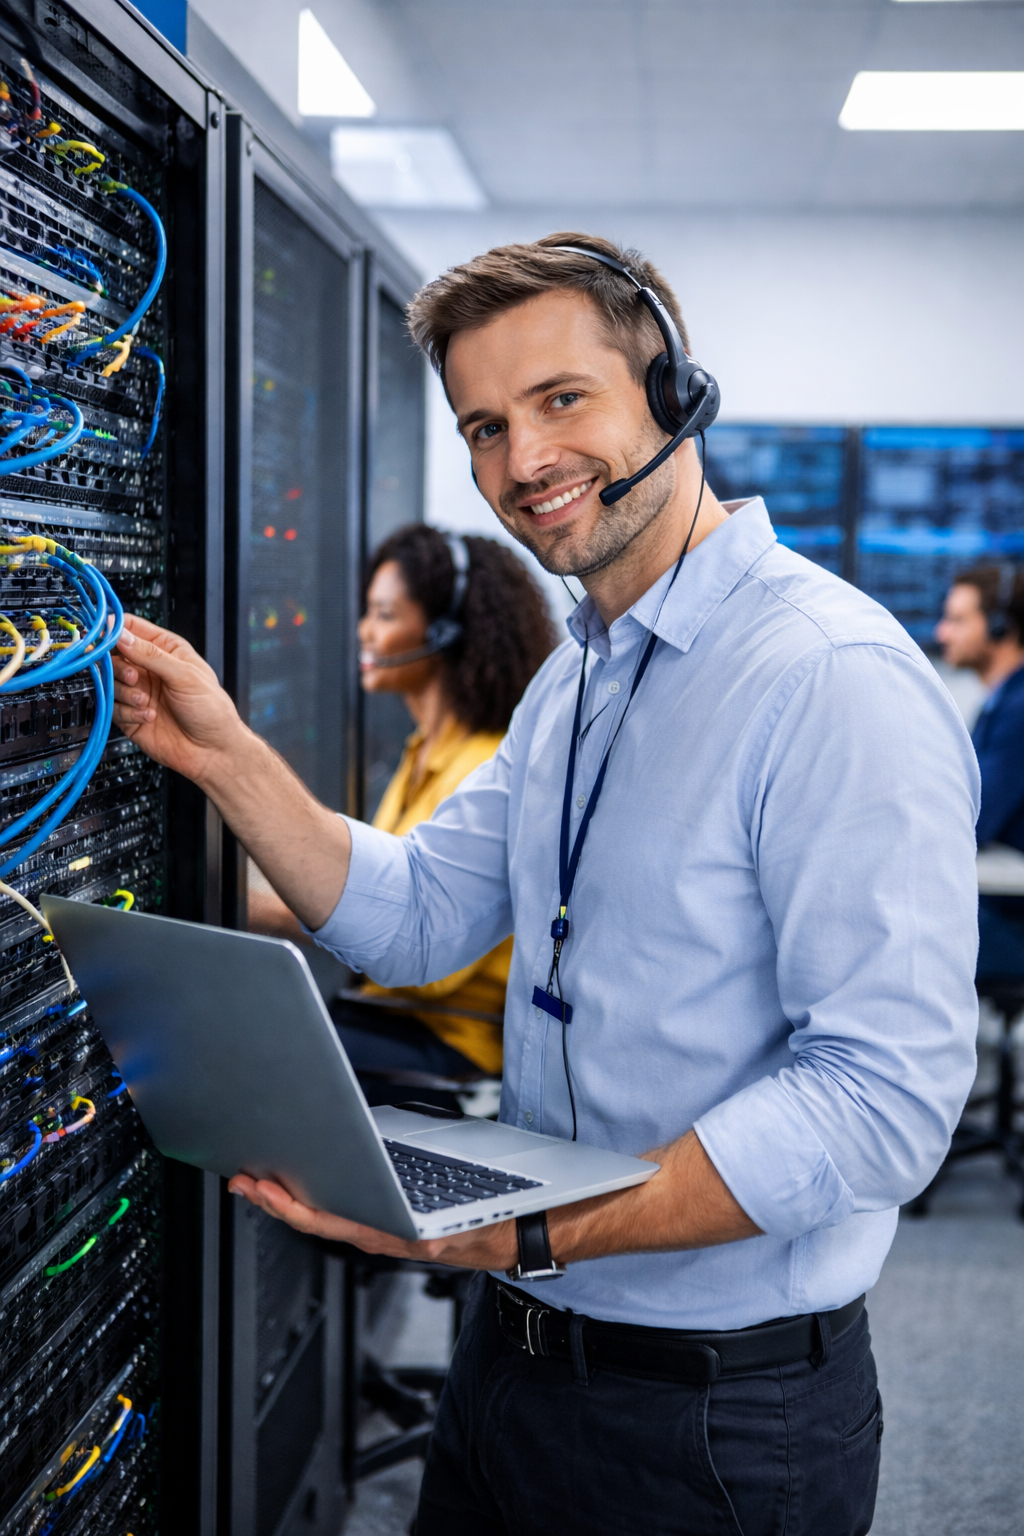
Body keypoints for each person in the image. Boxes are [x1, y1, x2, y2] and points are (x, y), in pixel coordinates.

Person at [111, 234, 979, 1536]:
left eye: (561, 401)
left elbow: (885, 1102)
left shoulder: (829, 677)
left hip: (712, 1424)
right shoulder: (578, 683)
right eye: (484, 426)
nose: (521, 463)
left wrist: (531, 1230)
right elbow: (417, 916)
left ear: (674, 391)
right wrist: (221, 751)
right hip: (509, 1367)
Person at [336, 523, 555, 1097]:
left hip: (448, 1045)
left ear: (443, 632)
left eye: (384, 615)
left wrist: (256, 902)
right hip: (388, 1018)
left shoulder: (481, 770)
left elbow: (429, 971)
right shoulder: (422, 752)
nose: (364, 631)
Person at [936, 562, 1024, 975]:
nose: (942, 633)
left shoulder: (1019, 709)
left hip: (1012, 916)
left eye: (957, 621)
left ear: (1000, 628)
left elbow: (975, 817)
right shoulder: (1001, 703)